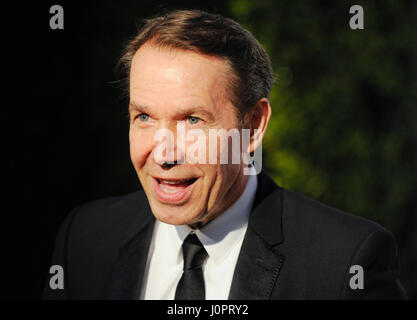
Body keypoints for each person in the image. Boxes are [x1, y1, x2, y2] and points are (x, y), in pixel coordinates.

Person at [43, 10, 407, 300]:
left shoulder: (345, 263)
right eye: (143, 117)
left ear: (253, 126)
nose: (163, 153)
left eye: (192, 120)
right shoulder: (86, 238)